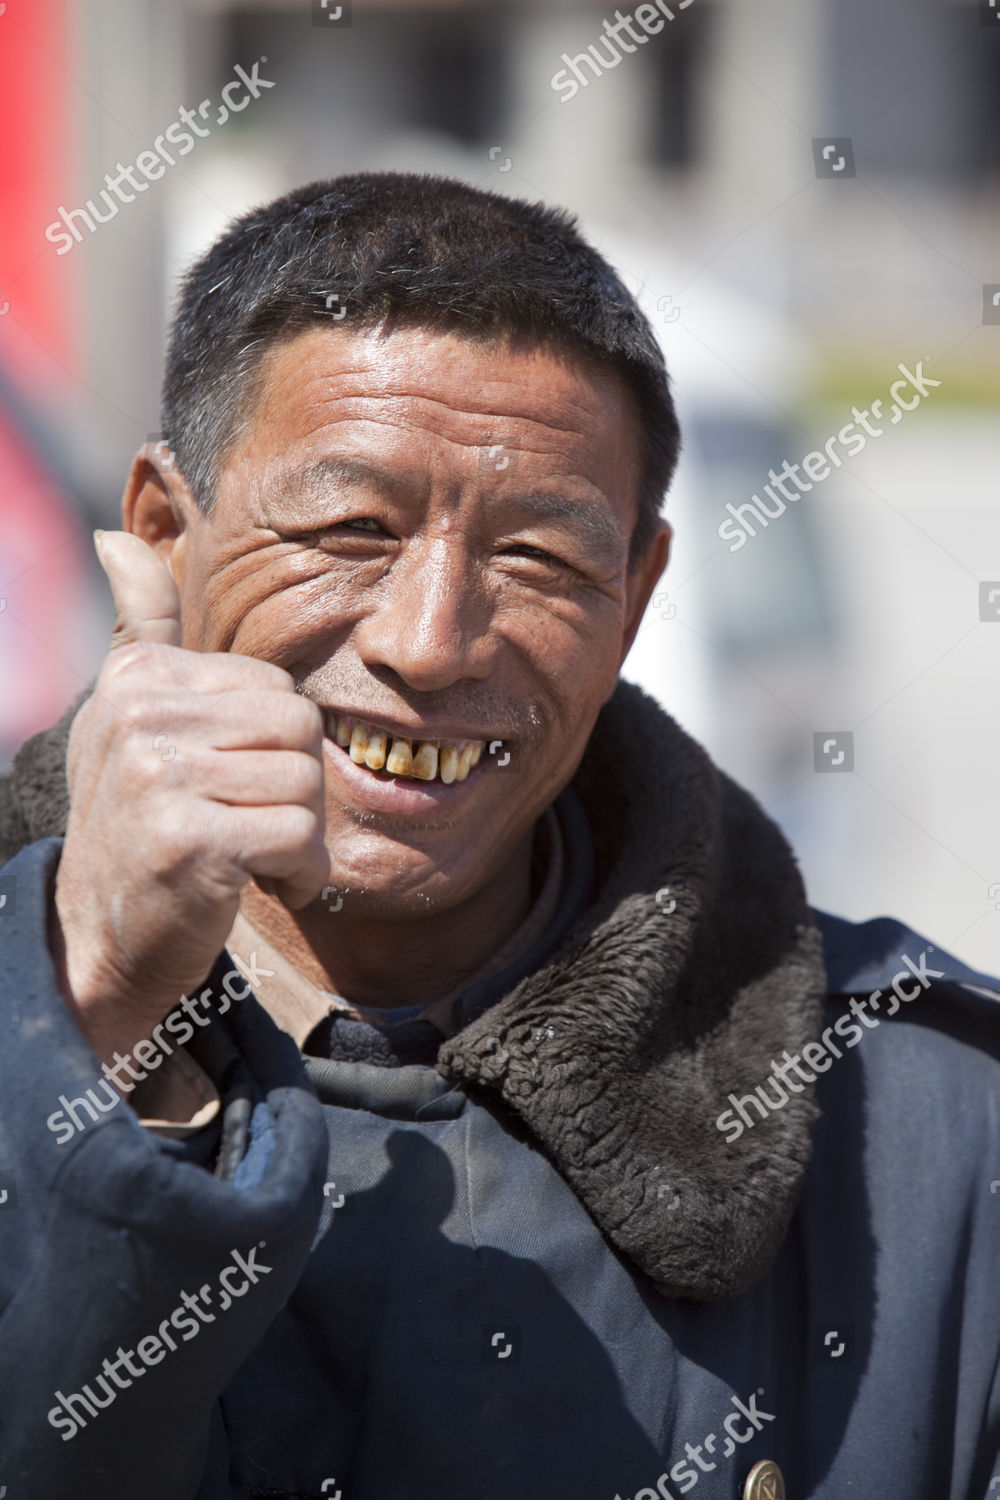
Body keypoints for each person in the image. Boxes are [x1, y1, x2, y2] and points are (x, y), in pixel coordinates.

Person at [0, 173, 997, 1500]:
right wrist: (106, 1004)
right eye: (353, 528)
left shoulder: (930, 1129)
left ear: (635, 597)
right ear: (164, 533)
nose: (428, 643)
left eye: (537, 557)